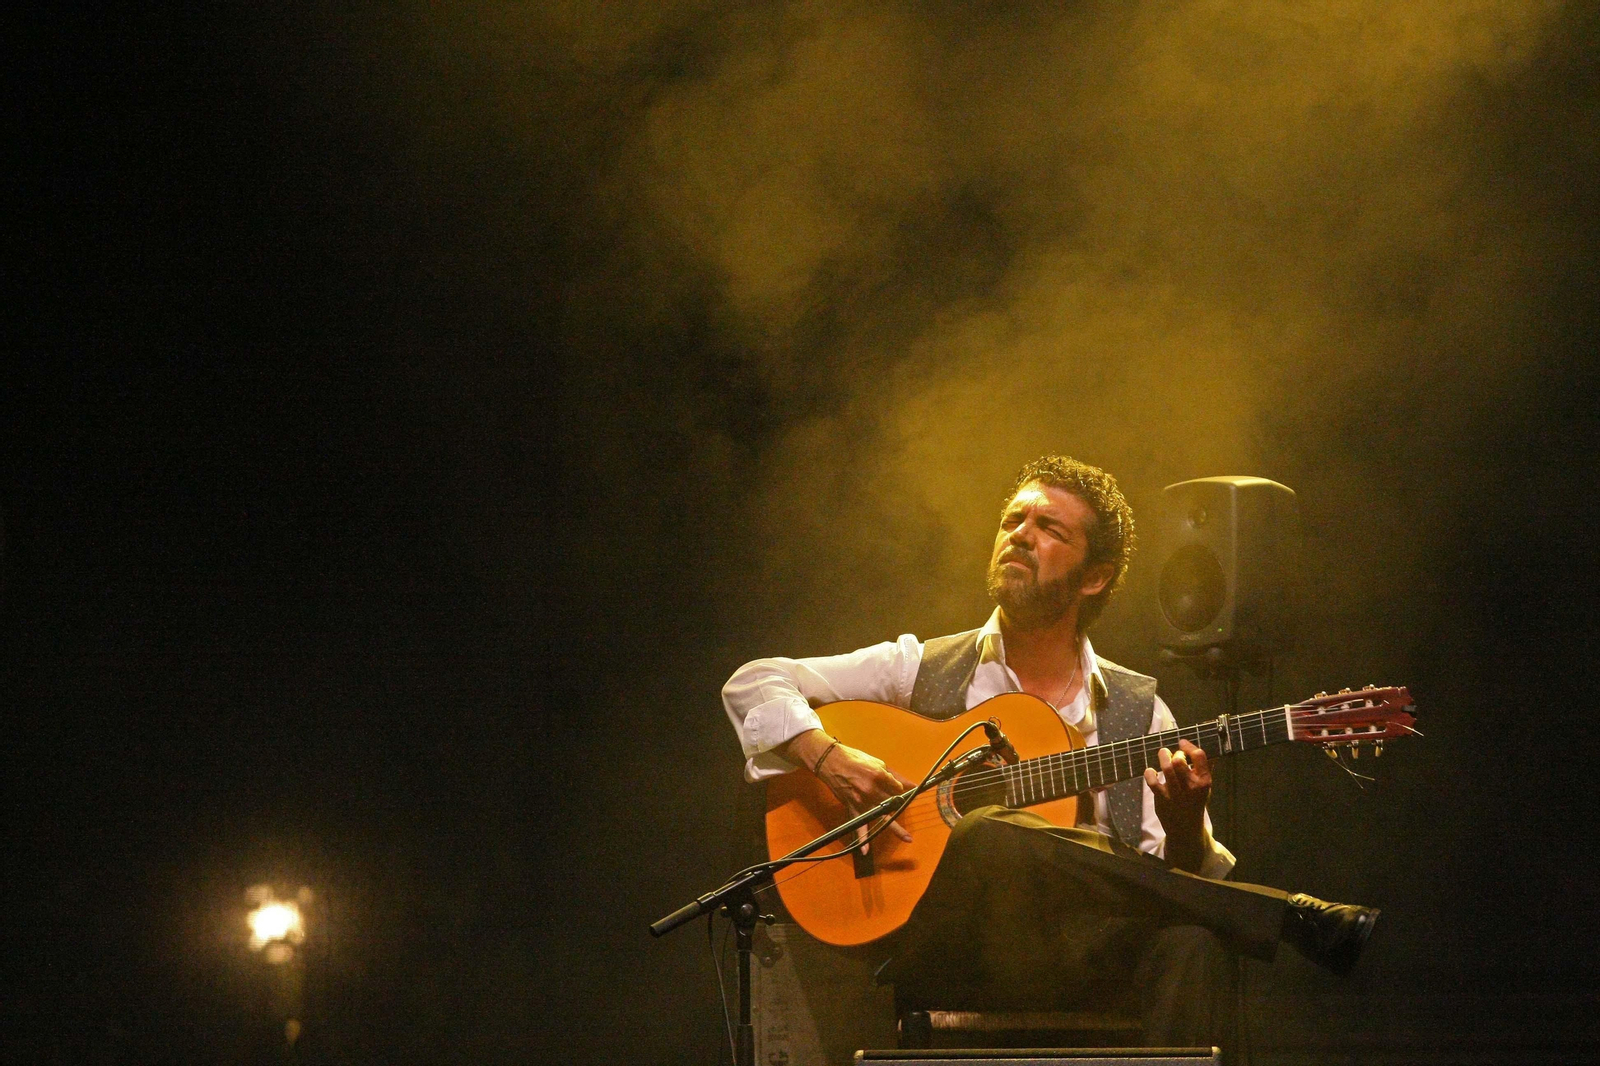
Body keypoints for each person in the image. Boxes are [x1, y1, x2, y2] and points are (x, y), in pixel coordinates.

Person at [722, 455, 1379, 1046]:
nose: (1020, 534)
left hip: (1085, 958)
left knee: (1193, 941)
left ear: (1095, 578)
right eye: (1014, 519)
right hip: (952, 947)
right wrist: (826, 755)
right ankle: (1282, 916)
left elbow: (1172, 885)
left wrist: (1183, 826)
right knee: (985, 833)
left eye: (1049, 529)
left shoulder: (1138, 711)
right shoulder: (918, 668)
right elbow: (753, 682)